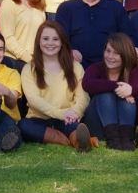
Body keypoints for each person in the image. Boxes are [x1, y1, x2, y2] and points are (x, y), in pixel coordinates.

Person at [18, 21, 95, 152]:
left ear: (62, 42)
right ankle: (65, 140)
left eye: (55, 39)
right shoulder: (29, 69)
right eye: (45, 39)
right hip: (39, 119)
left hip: (67, 119)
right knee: (24, 125)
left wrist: (75, 113)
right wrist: (61, 113)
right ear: (38, 42)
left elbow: (83, 97)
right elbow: (34, 99)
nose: (50, 43)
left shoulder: (75, 66)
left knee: (76, 127)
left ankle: (80, 141)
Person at [56, 0, 135, 68]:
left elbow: (129, 39)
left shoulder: (116, 7)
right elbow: (59, 40)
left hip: (110, 68)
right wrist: (68, 51)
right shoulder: (65, 9)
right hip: (76, 67)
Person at [82, 33, 138, 150]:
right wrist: (118, 87)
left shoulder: (133, 71)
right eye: (108, 51)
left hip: (124, 128)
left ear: (126, 54)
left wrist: (131, 90)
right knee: (106, 93)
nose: (110, 56)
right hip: (98, 126)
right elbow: (87, 84)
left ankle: (126, 141)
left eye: (116, 53)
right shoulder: (96, 68)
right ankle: (113, 141)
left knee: (129, 96)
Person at [0, 0, 47, 72]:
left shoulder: (39, 7)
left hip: (37, 61)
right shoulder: (8, 5)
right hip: (15, 62)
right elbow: (8, 38)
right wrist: (29, 59)